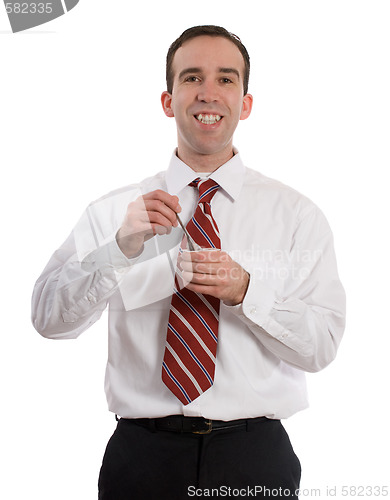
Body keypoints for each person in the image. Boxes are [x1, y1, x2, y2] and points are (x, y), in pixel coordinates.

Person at [32, 25, 346, 499]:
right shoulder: (115, 211)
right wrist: (119, 248)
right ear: (167, 99)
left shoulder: (297, 215)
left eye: (226, 79)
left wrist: (247, 292)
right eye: (191, 77)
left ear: (245, 103)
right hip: (142, 457)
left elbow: (321, 347)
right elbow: (48, 319)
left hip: (254, 457)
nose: (207, 92)